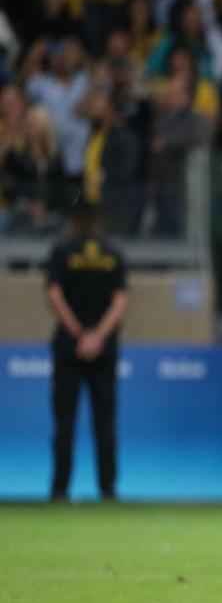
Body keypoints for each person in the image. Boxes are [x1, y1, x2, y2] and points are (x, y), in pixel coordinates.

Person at [44, 197, 129, 502]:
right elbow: (120, 302)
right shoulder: (112, 254)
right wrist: (98, 336)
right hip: (103, 350)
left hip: (69, 347)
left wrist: (79, 333)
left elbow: (54, 295)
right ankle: (107, 490)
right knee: (104, 422)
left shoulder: (62, 251)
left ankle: (59, 490)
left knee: (64, 422)